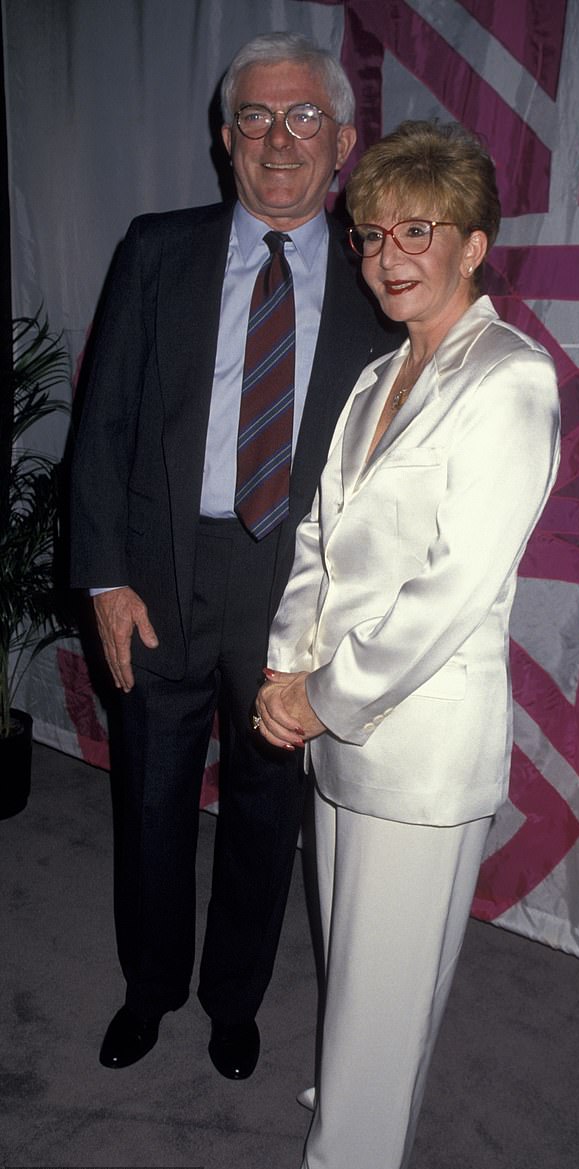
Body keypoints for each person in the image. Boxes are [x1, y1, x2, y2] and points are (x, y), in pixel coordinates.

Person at [69, 32, 400, 1079]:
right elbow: (102, 426)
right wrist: (105, 577)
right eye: (254, 117)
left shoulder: (381, 295)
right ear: (225, 138)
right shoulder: (154, 250)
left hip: (290, 591)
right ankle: (153, 985)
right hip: (160, 576)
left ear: (342, 140)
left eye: (304, 117)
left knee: (266, 810)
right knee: (151, 799)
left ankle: (232, 999)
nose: (279, 139)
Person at [255, 119, 560, 1169]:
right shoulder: (379, 375)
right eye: (370, 234)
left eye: (415, 231)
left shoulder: (508, 380)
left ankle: (347, 1156)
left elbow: (449, 591)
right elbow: (319, 536)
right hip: (337, 723)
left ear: (473, 245)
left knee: (384, 984)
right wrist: (286, 671)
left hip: (416, 741)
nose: (386, 256)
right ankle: (358, 1085)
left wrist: (322, 697)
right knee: (364, 971)